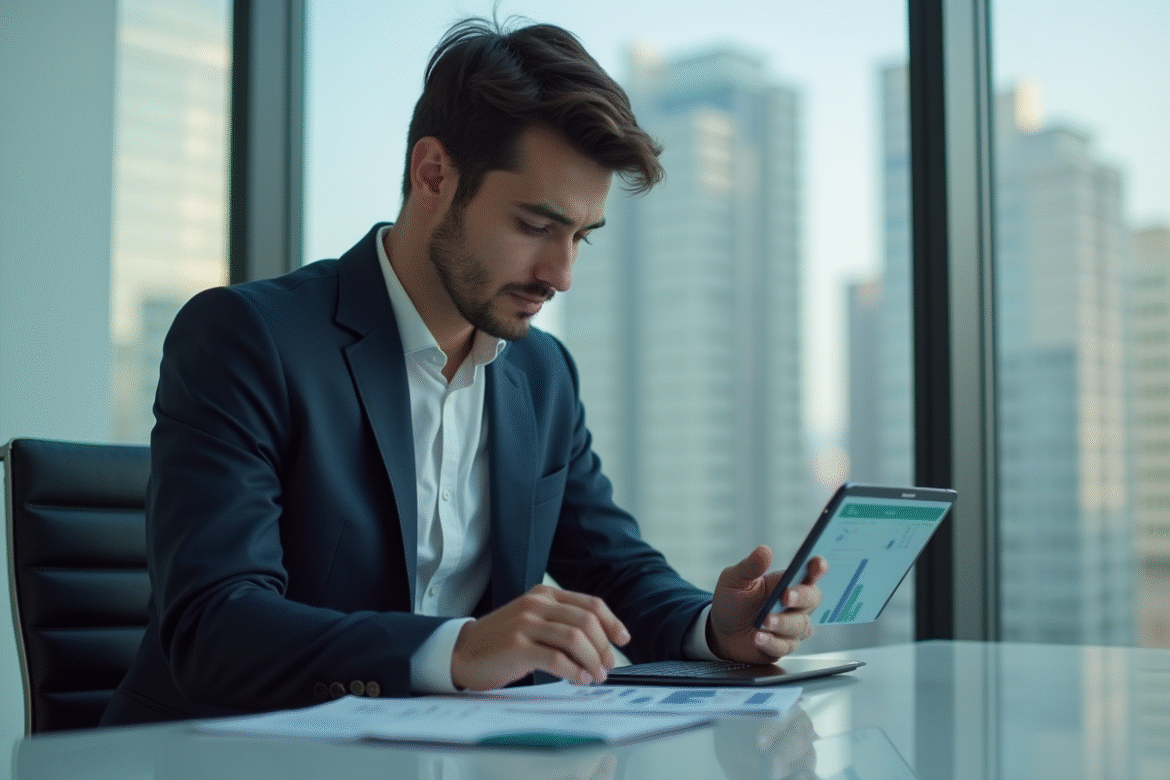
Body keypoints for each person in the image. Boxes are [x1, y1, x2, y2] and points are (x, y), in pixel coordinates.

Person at [102, 17, 826, 726]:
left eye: (580, 236)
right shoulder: (248, 339)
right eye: (536, 227)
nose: (561, 274)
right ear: (434, 173)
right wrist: (456, 650)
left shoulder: (542, 375)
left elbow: (614, 568)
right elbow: (214, 627)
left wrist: (714, 629)